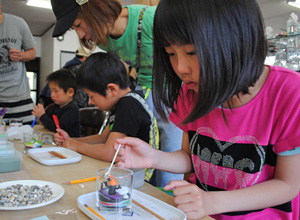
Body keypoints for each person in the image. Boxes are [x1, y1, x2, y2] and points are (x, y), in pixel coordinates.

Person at [113, 0, 300, 219]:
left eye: (191, 52)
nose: (181, 68)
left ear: (237, 38)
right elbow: (190, 157)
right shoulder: (191, 91)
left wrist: (211, 202)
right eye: (171, 53)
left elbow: (287, 185)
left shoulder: (289, 92)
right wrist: (154, 158)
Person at [50, 0, 183, 187]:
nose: (81, 35)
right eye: (74, 29)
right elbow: (105, 138)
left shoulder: (153, 20)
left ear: (94, 9)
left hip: (175, 97)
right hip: (148, 94)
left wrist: (75, 144)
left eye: (79, 25)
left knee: (168, 173)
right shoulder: (106, 43)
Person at [53, 52, 159, 182]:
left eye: (91, 96)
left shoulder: (129, 105)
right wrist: (71, 141)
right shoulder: (121, 104)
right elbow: (103, 138)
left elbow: (110, 152)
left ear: (111, 90)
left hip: (141, 181)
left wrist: (76, 146)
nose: (90, 102)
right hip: (126, 174)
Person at [0, 2, 36, 125]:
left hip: (21, 98)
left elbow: (32, 53)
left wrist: (21, 55)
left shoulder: (18, 23)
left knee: (27, 138)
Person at [32, 69, 80, 137]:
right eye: (51, 91)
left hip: (70, 145)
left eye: (56, 91)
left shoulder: (72, 109)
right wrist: (39, 116)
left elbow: (57, 128)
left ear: (70, 92)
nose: (52, 95)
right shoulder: (56, 106)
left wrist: (42, 116)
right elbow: (48, 124)